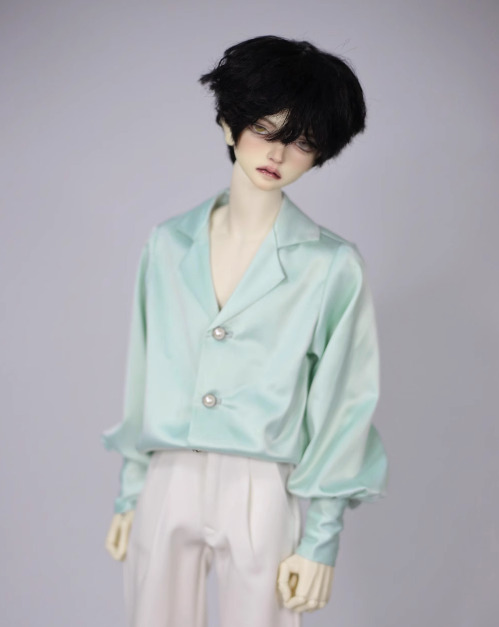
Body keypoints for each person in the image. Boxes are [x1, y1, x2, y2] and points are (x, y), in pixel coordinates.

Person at [101, 34, 388, 627]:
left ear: (321, 153)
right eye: (264, 128)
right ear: (229, 124)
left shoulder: (331, 266)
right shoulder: (167, 244)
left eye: (302, 142)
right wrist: (132, 491)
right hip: (169, 475)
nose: (278, 153)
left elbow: (343, 403)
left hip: (262, 484)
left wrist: (321, 536)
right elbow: (144, 370)